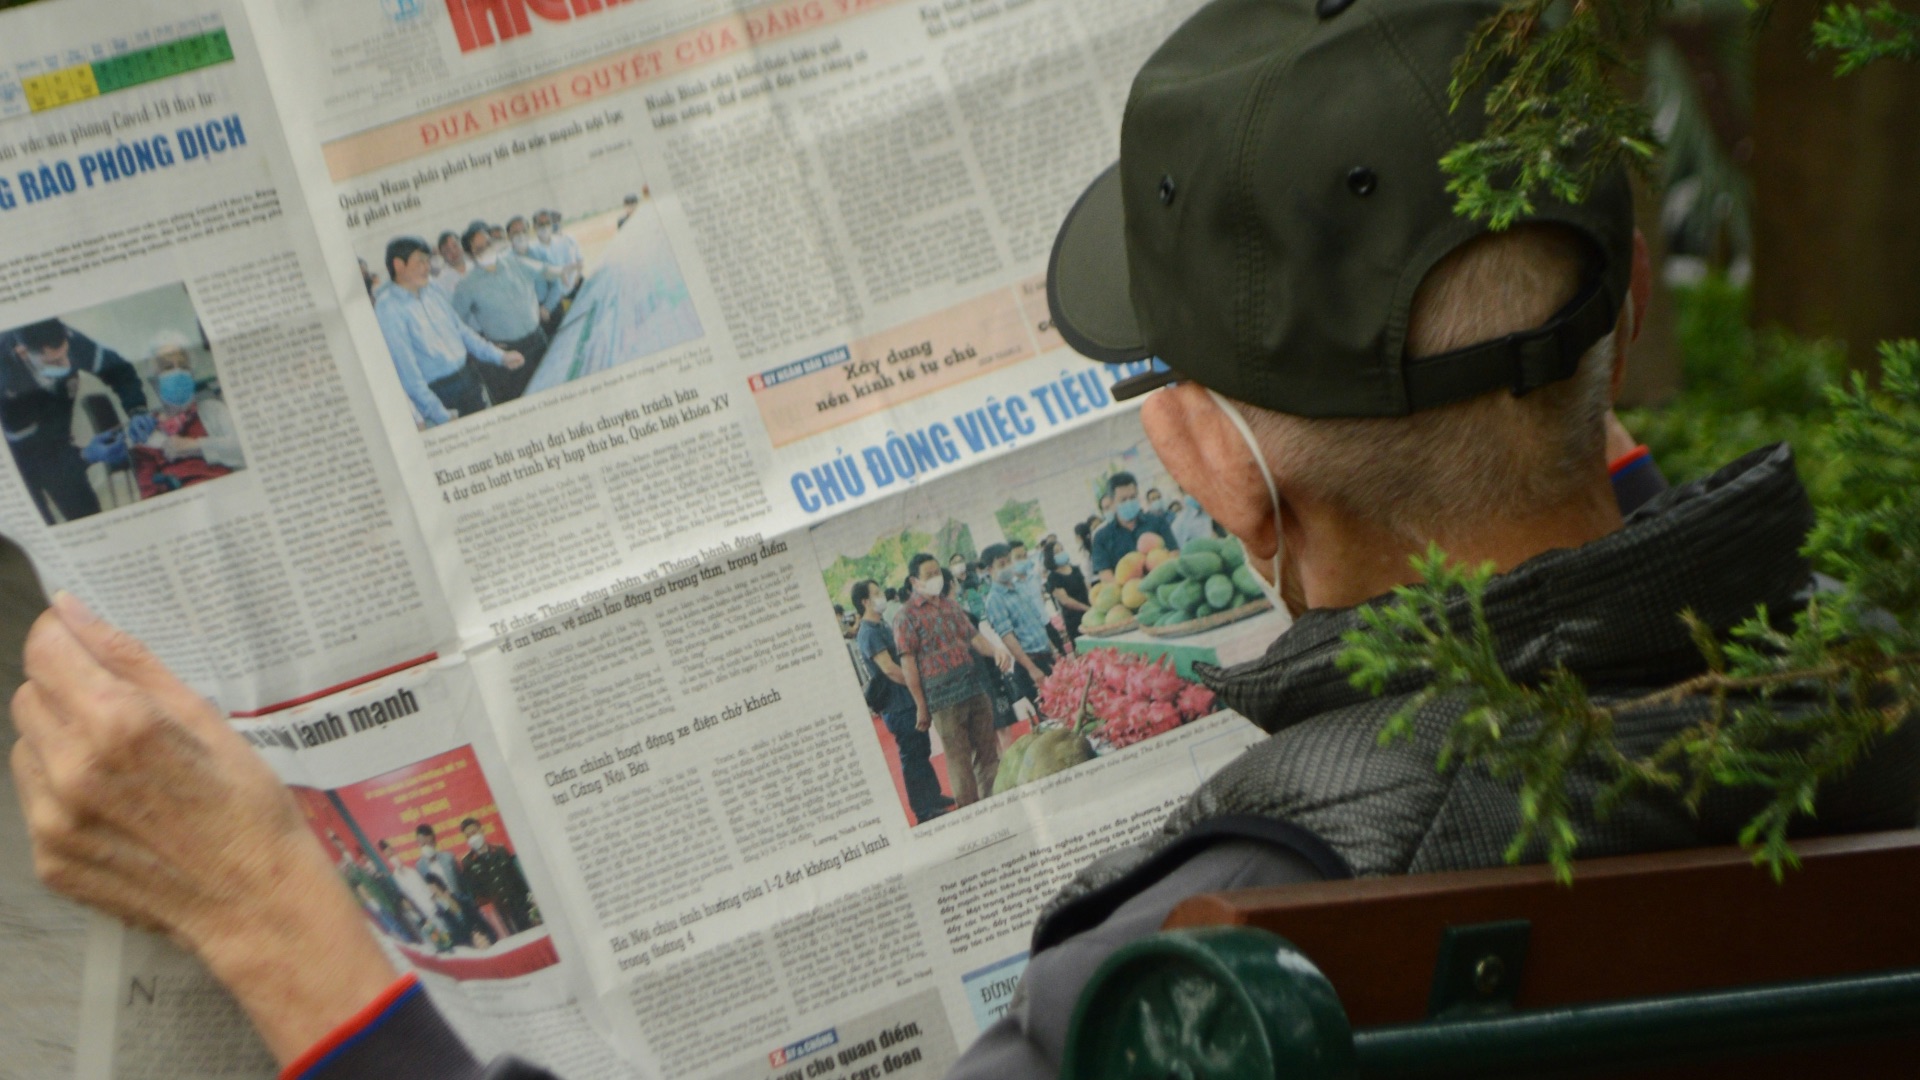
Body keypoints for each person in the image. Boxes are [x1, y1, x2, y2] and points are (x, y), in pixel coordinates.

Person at [12, 2, 1920, 1078]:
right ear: (1615, 322)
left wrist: (275, 922)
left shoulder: (1225, 956)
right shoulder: (1858, 692)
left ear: (1232, 475)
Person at [893, 552, 1011, 809]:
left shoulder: (950, 606)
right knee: (960, 762)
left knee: (988, 753)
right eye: (929, 574)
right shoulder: (906, 617)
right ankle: (971, 812)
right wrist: (921, 706)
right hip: (943, 702)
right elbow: (909, 664)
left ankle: (995, 804)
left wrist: (997, 650)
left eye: (938, 572)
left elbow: (974, 638)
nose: (936, 578)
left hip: (974, 688)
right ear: (914, 581)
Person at [1, 319, 148, 524]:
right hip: (20, 457)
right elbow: (38, 457)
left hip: (59, 439)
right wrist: (85, 455)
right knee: (41, 523)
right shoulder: (6, 382)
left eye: (66, 354)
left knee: (89, 518)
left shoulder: (71, 340)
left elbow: (119, 370)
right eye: (53, 362)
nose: (67, 366)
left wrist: (137, 408)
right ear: (23, 353)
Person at [373, 236, 525, 428]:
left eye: (427, 261)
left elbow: (462, 332)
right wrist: (440, 414)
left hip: (468, 379)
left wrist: (500, 357)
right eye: (420, 261)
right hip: (441, 395)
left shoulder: (433, 290)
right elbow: (407, 373)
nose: (427, 267)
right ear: (398, 265)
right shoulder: (388, 308)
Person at [852, 579, 950, 825]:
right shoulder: (869, 632)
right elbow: (890, 669)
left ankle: (933, 797)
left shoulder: (881, 625)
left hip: (907, 700)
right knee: (912, 757)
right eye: (876, 593)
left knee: (922, 751)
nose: (881, 595)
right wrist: (916, 683)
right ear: (865, 602)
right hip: (897, 705)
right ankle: (922, 809)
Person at [131, 331, 244, 498]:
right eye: (168, 367)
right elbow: (147, 489)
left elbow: (243, 448)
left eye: (184, 366)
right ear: (154, 381)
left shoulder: (212, 410)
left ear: (192, 374)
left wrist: (196, 446)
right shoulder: (148, 430)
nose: (178, 373)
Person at [450, 222, 549, 405]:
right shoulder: (466, 286)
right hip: (508, 353)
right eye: (479, 249)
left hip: (538, 340)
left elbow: (543, 273)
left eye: (487, 244)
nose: (486, 250)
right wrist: (483, 342)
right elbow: (455, 323)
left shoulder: (514, 262)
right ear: (470, 255)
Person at [980, 543, 1054, 710]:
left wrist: (1053, 649)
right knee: (1052, 717)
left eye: (1008, 562)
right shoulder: (995, 600)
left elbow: (1037, 622)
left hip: (1047, 657)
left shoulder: (1019, 588)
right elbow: (1008, 638)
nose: (1007, 567)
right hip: (1030, 664)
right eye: (1001, 564)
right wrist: (1032, 669)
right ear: (990, 570)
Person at [1089, 471, 1178, 582]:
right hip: (1129, 594)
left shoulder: (1157, 522)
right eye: (1123, 500)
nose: (1129, 502)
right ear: (1112, 503)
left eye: (1132, 497)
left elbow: (1174, 553)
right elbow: (1105, 575)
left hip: (1163, 584)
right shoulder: (1101, 538)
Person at [457, 818, 538, 936]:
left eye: (474, 833)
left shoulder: (500, 850)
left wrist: (530, 904)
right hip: (499, 918)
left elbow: (518, 880)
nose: (472, 838)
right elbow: (475, 896)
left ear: (481, 830)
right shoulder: (467, 863)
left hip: (519, 908)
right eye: (468, 836)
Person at [504, 215, 569, 335]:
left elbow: (556, 283)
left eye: (523, 231)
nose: (520, 235)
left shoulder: (540, 253)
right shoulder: (505, 263)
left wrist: (547, 308)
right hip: (528, 320)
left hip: (551, 309)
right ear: (508, 236)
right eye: (516, 232)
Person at [1042, 537, 1090, 645]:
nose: (1060, 553)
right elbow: (1065, 601)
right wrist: (1087, 609)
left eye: (1061, 550)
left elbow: (1087, 588)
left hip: (1091, 611)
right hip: (1074, 619)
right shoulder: (1053, 577)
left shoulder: (1075, 569)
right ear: (1050, 557)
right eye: (1056, 552)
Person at [431, 231, 469, 299]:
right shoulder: (441, 281)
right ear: (442, 255)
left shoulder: (477, 264)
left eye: (455, 246)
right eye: (447, 250)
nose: (453, 252)